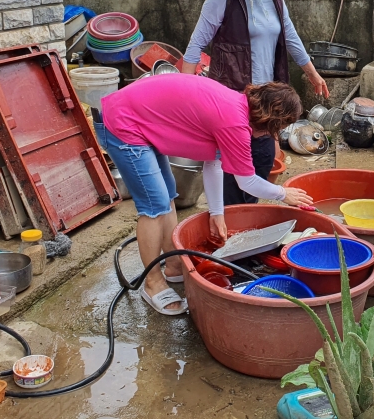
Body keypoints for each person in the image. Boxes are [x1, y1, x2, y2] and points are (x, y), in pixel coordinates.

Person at [95, 73, 314, 316]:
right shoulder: (235, 123)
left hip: (139, 118)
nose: (274, 135)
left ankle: (174, 263)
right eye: (279, 128)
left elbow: (213, 163)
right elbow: (247, 182)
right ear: (271, 121)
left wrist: (217, 214)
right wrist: (283, 193)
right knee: (154, 204)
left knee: (167, 194)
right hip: (122, 123)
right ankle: (152, 283)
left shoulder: (237, 105)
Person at [182, 0, 330, 205]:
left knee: (261, 160)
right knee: (230, 169)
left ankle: (248, 224)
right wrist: (185, 91)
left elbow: (290, 34)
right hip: (233, 97)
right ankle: (227, 224)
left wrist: (312, 73)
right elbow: (195, 46)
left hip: (267, 101)